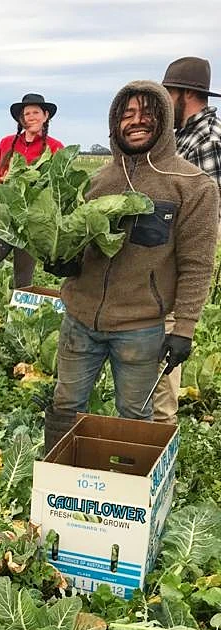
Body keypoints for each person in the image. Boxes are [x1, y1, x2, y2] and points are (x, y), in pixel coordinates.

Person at [44, 81, 219, 453]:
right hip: (80, 319)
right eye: (127, 115)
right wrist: (62, 260)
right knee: (65, 406)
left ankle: (130, 497)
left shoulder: (192, 185)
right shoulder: (95, 182)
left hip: (141, 329)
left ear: (165, 119)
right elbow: (78, 250)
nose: (136, 121)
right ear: (114, 123)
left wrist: (184, 327)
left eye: (147, 114)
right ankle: (57, 488)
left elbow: (197, 264)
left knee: (135, 417)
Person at [152, 57, 221, 424]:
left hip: (178, 269)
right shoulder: (182, 135)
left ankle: (161, 448)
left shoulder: (208, 139)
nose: (164, 101)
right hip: (159, 265)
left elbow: (207, 219)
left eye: (168, 93)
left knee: (164, 372)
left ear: (187, 94)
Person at [0, 93, 63, 301]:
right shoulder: (7, 143)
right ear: (21, 119)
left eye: (35, 112)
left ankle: (20, 324)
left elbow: (60, 185)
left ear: (45, 115)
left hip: (32, 223)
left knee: (23, 281)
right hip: (4, 218)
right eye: (26, 113)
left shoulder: (55, 148)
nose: (31, 116)